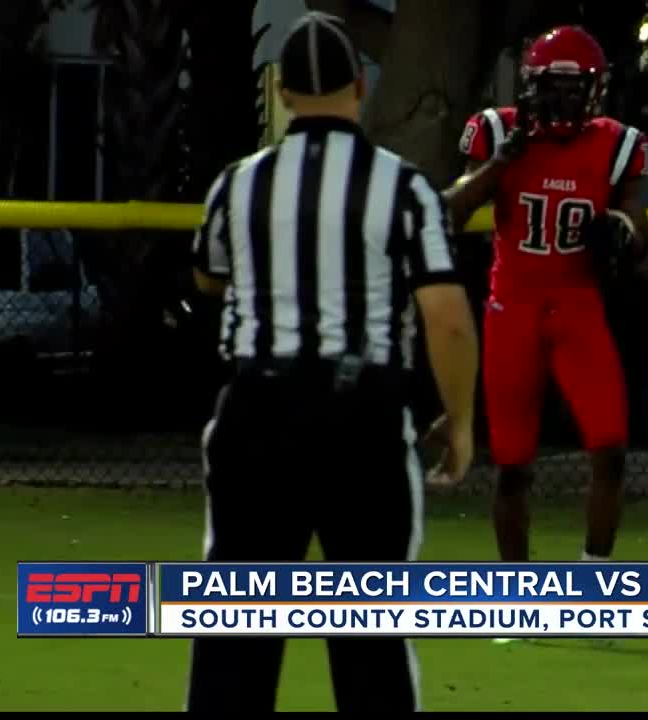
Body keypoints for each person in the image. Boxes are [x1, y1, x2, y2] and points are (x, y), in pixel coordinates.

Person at [184, 11, 479, 712]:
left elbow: (207, 275)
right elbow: (446, 317)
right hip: (361, 419)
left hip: (256, 410)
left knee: (237, 633)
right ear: (359, 86)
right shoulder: (401, 188)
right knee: (371, 637)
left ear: (281, 91)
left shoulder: (239, 183)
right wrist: (461, 422)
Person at [440, 26, 648, 572]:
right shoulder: (499, 132)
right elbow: (449, 213)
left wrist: (621, 232)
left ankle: (594, 578)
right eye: (553, 87)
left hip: (578, 306)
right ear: (531, 86)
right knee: (512, 466)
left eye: (574, 87)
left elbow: (639, 231)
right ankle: (518, 595)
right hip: (511, 309)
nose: (564, 99)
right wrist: (500, 165)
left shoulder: (615, 143)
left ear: (594, 90)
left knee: (610, 448)